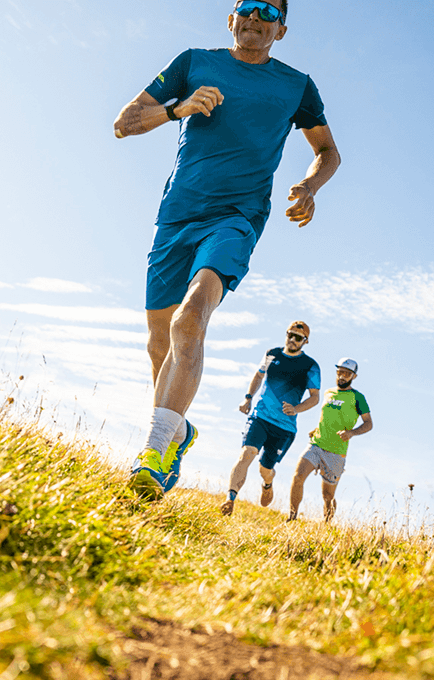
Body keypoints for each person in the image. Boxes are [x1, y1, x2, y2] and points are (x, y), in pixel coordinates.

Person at [112, 0, 341, 499]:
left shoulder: (296, 86)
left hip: (237, 217)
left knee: (190, 318)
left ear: (281, 30)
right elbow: (124, 122)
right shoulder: (194, 63)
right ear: (231, 18)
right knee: (159, 343)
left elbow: (327, 151)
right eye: (247, 6)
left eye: (268, 11)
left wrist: (309, 187)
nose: (256, 17)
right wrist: (178, 108)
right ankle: (177, 432)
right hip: (177, 215)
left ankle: (152, 453)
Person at [220, 321, 320, 516]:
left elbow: (315, 397)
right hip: (260, 417)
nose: (292, 339)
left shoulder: (310, 366)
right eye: (290, 334)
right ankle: (230, 499)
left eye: (298, 337)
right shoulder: (272, 354)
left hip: (284, 428)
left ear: (305, 341)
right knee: (247, 453)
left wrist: (296, 409)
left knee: (265, 469)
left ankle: (267, 483)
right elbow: (259, 376)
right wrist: (248, 397)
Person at [287, 357, 372, 522]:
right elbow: (329, 416)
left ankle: (326, 526)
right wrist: (317, 428)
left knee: (327, 496)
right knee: (298, 477)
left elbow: (369, 423)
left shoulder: (358, 397)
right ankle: (291, 518)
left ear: (354, 376)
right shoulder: (328, 393)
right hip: (316, 444)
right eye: (340, 372)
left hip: (336, 452)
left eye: (347, 374)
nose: (342, 376)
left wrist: (351, 433)